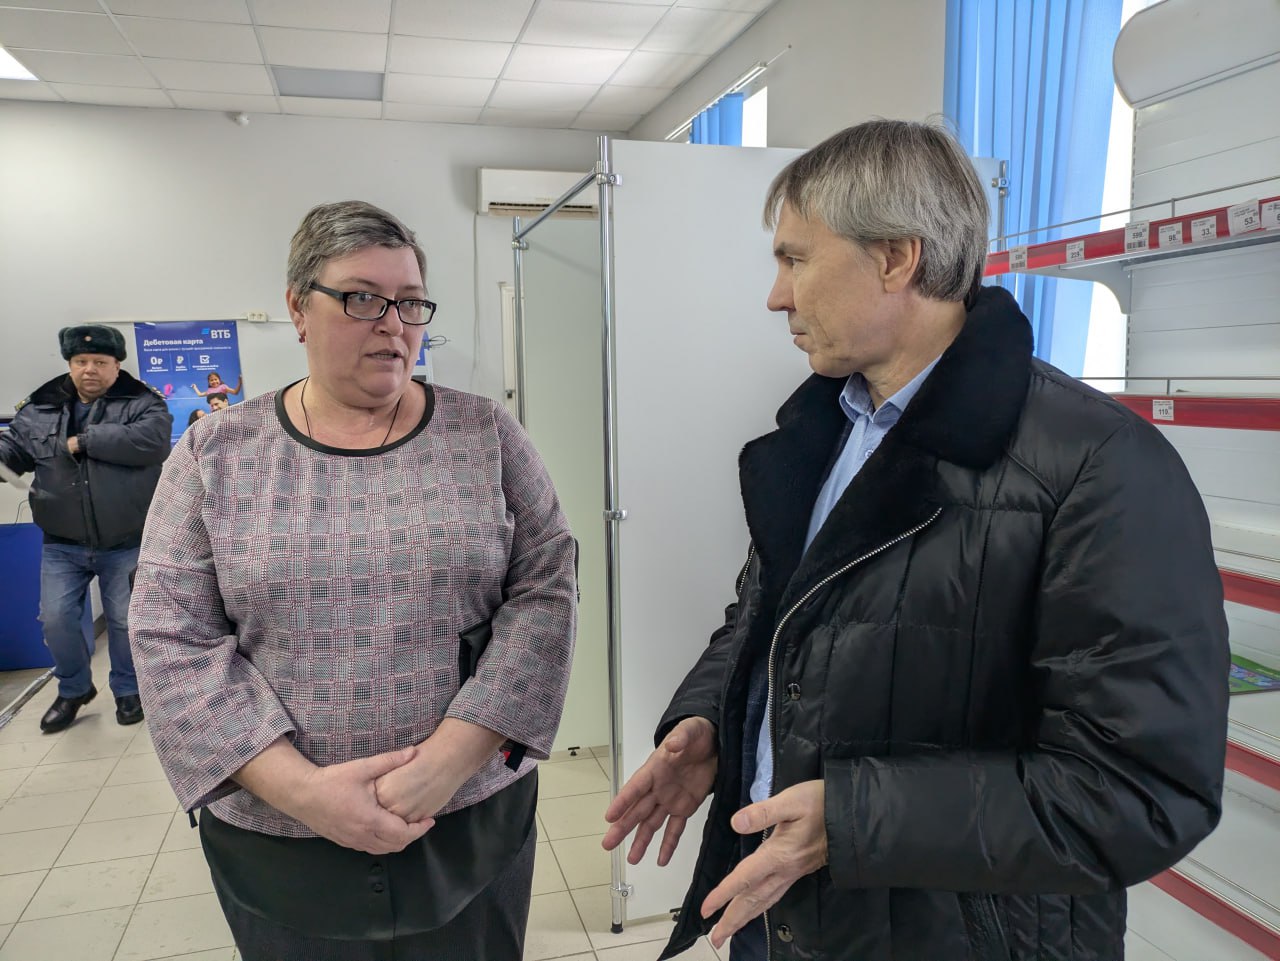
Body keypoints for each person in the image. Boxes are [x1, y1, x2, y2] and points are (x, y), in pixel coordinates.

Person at [603, 120, 1229, 961]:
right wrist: (711, 718)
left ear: (897, 258)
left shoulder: (1100, 467)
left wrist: (853, 818)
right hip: (790, 917)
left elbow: (1141, 789)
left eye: (795, 260)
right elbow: (768, 613)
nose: (776, 296)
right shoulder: (825, 427)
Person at [130, 200, 577, 961]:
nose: (393, 324)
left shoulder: (485, 434)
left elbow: (546, 588)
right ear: (297, 309)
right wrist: (304, 792)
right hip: (283, 839)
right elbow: (172, 635)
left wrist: (451, 757)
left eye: (410, 302)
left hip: (463, 817)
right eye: (362, 298)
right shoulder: (216, 453)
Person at [0, 325, 172, 732]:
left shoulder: (142, 403)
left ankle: (129, 689)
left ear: (116, 366)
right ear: (70, 364)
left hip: (127, 539)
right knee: (55, 620)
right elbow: (16, 451)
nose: (89, 369)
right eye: (80, 361)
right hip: (61, 542)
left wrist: (84, 441)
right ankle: (74, 688)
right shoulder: (40, 407)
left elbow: (153, 442)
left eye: (99, 362)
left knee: (126, 621)